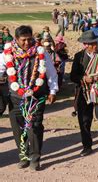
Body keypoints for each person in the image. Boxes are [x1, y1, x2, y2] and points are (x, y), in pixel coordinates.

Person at [0, 25, 58, 170]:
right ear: (16, 39)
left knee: (35, 127)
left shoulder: (41, 52)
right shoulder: (6, 54)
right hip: (15, 98)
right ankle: (23, 155)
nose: (27, 43)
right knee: (18, 129)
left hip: (36, 97)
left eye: (29, 39)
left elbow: (51, 73)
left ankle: (35, 158)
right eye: (23, 40)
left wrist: (53, 91)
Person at [70, 31, 98, 156]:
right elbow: (73, 76)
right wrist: (84, 79)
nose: (96, 46)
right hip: (84, 91)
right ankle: (87, 145)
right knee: (85, 119)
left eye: (96, 43)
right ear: (85, 45)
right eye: (92, 44)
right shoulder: (78, 57)